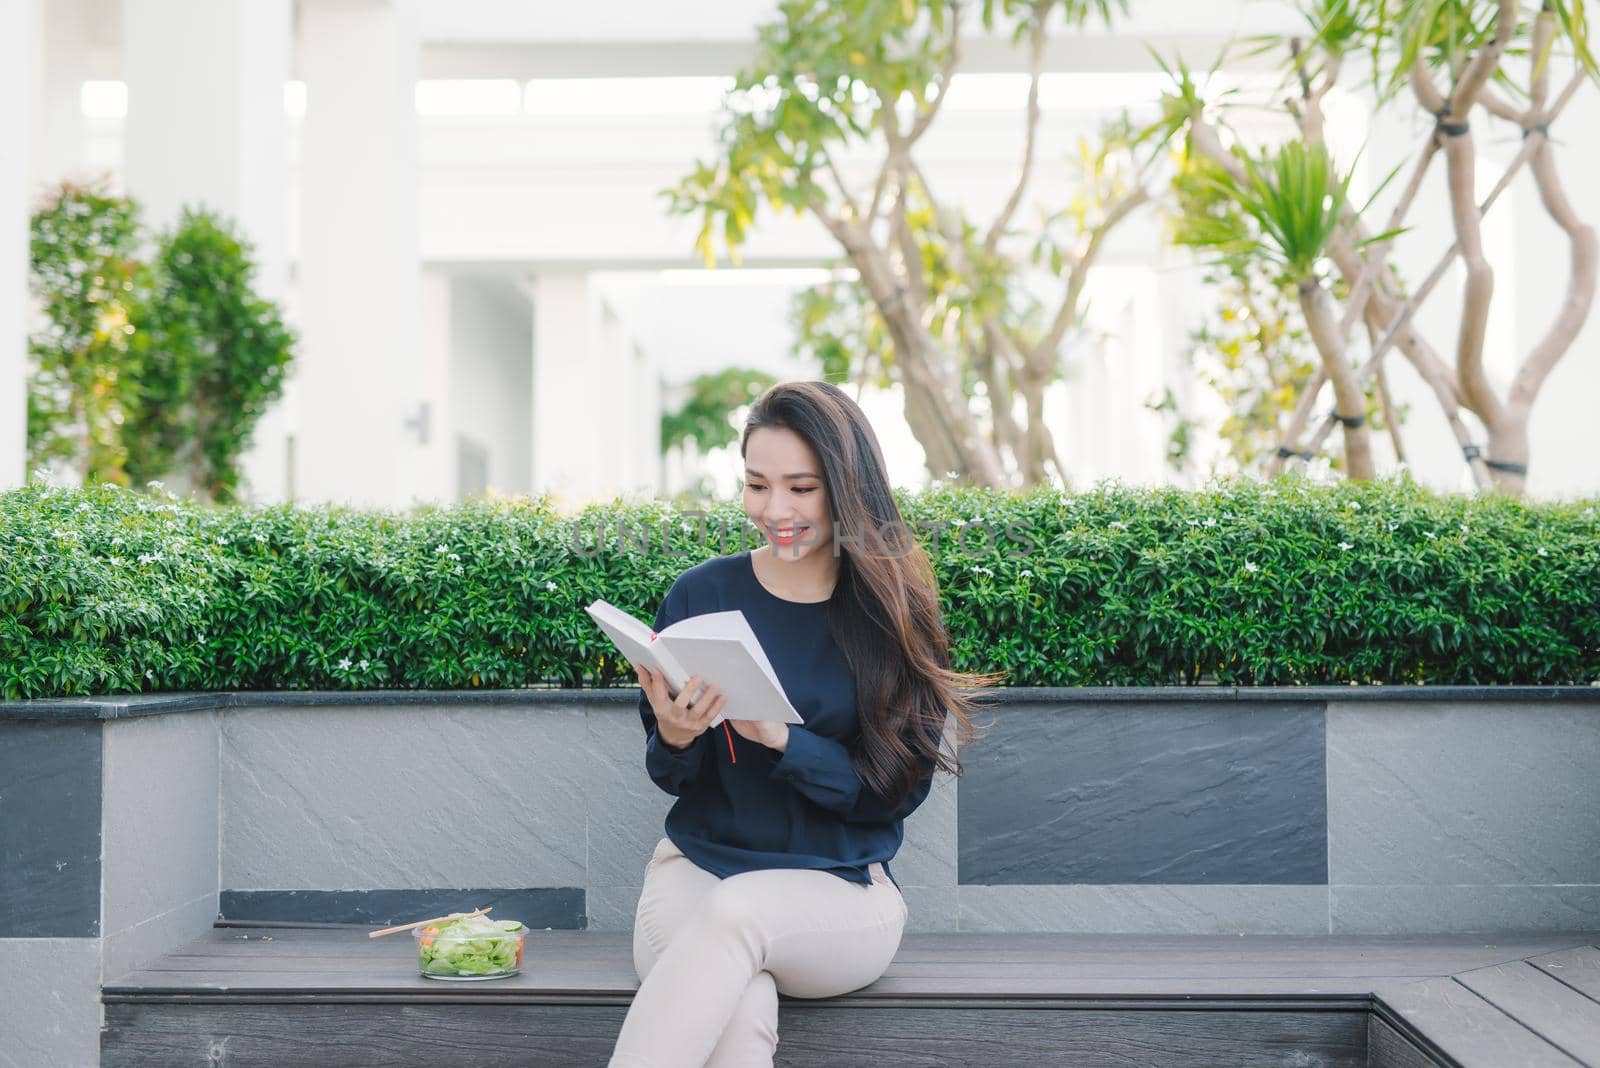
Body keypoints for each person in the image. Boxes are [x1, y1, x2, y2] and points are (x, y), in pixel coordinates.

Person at [609, 381, 1001, 1068]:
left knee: (737, 917)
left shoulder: (890, 612)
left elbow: (896, 793)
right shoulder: (701, 594)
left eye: (801, 488)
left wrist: (783, 738)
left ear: (847, 490)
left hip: (843, 892)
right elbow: (673, 777)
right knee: (742, 1005)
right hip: (696, 873)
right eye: (757, 485)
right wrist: (674, 733)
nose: (775, 510)